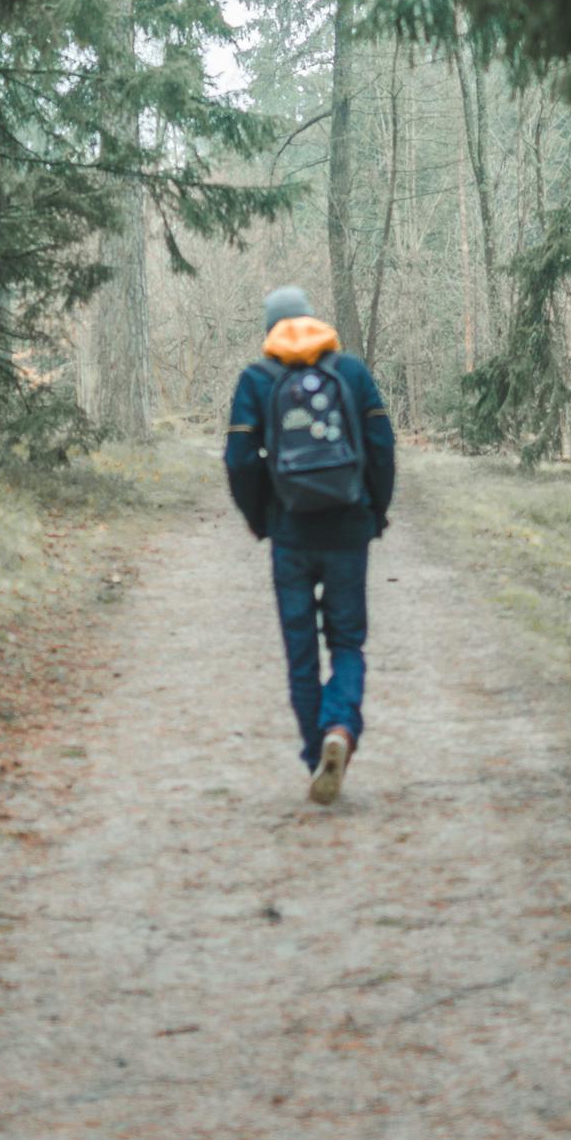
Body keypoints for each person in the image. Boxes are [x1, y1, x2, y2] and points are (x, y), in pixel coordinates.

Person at [224, 285, 395, 805]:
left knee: (300, 653)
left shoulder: (256, 380)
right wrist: (376, 512)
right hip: (347, 531)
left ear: (269, 329)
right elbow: (382, 448)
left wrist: (260, 521)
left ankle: (313, 752)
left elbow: (239, 462)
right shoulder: (352, 373)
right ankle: (340, 729)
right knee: (346, 641)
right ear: (313, 321)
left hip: (290, 534)